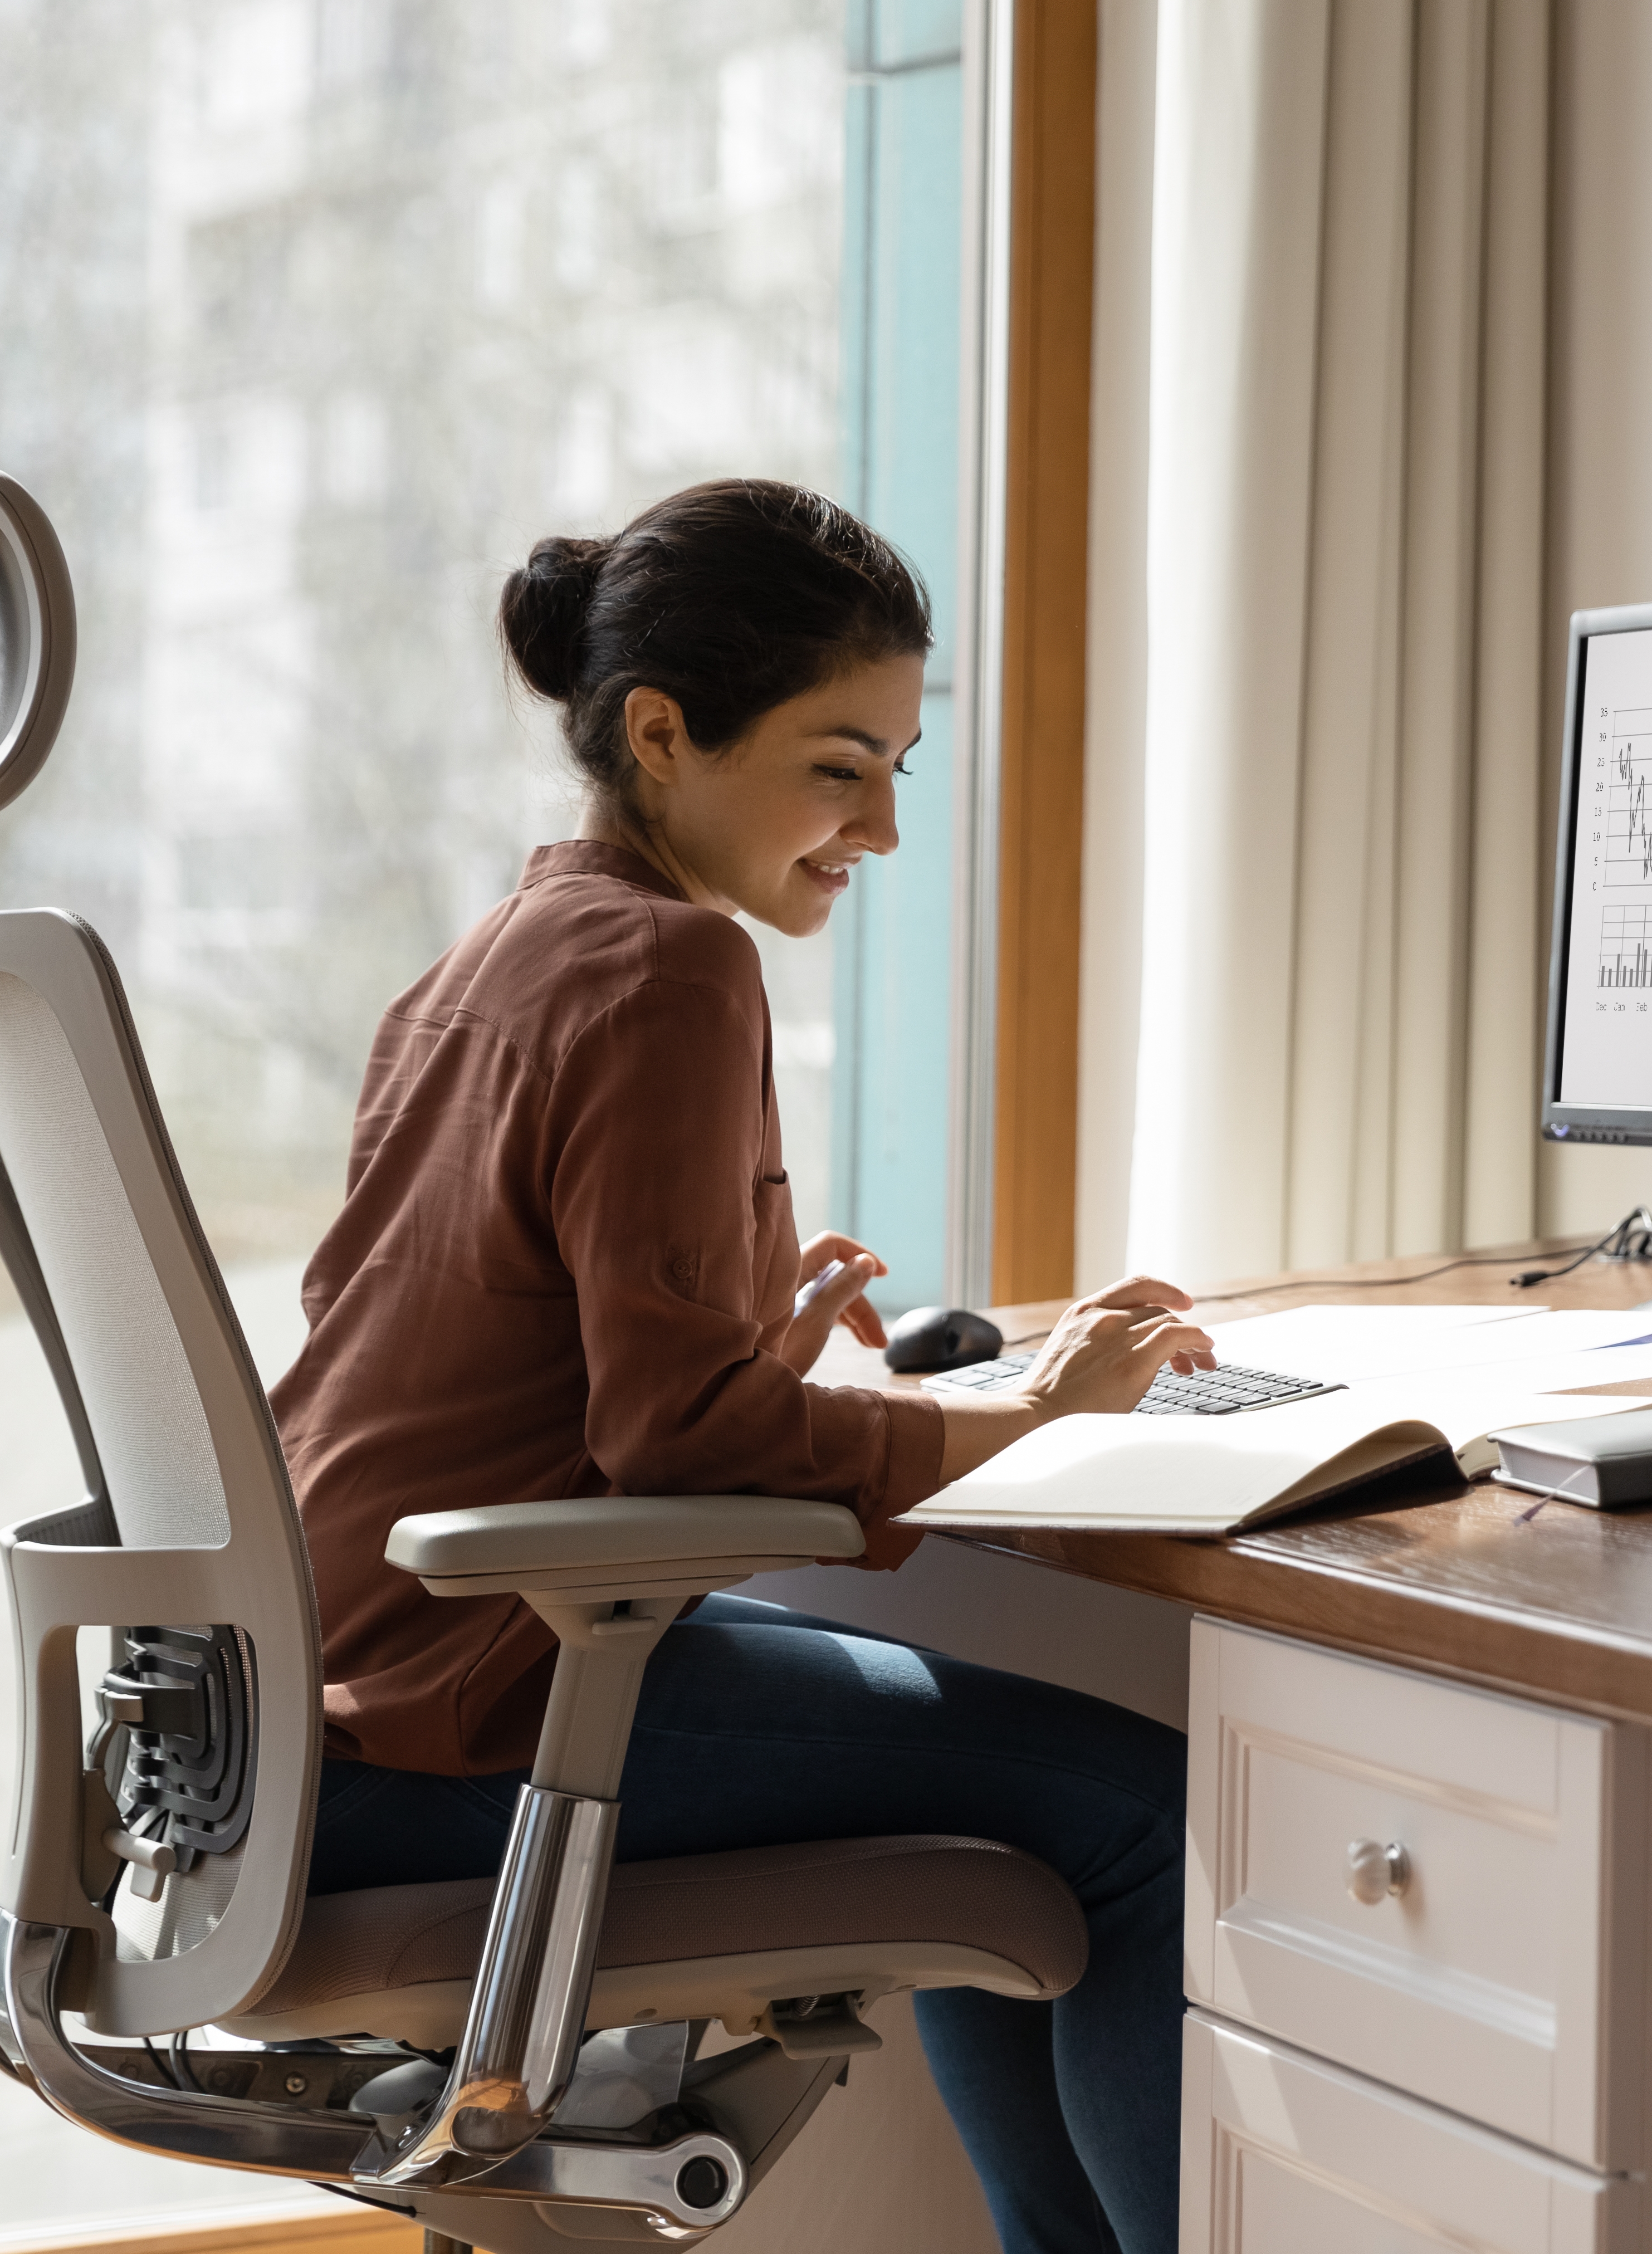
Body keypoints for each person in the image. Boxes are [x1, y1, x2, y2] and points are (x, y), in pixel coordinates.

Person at [271, 477, 1212, 2254]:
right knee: (1145, 1821)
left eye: (896, 773)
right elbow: (673, 1428)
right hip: (480, 1713)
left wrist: (749, 1368)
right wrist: (1024, 1406)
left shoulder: (495, 955)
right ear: (662, 733)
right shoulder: (674, 962)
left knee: (1034, 1844)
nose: (881, 830)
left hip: (328, 1700)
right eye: (837, 765)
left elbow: (550, 1387)